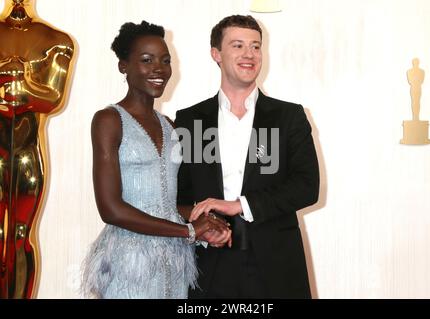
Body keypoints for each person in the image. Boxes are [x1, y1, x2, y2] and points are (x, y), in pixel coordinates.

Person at [81, 21, 230, 299]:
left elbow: (165, 203)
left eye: (165, 60)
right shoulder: (109, 120)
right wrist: (189, 231)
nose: (159, 69)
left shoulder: (170, 126)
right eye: (146, 60)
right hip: (130, 262)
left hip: (174, 261)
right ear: (123, 66)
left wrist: (206, 221)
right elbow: (110, 208)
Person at [175, 15, 320, 298]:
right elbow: (179, 197)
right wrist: (201, 229)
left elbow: (306, 187)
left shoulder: (287, 117)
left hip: (276, 264)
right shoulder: (191, 120)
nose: (249, 55)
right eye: (238, 45)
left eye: (255, 47)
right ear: (216, 54)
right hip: (209, 263)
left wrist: (239, 205)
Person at [0, 0, 75, 298]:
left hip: (27, 152)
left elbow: (53, 98)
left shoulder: (56, 42)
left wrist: (24, 83)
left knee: (19, 234)